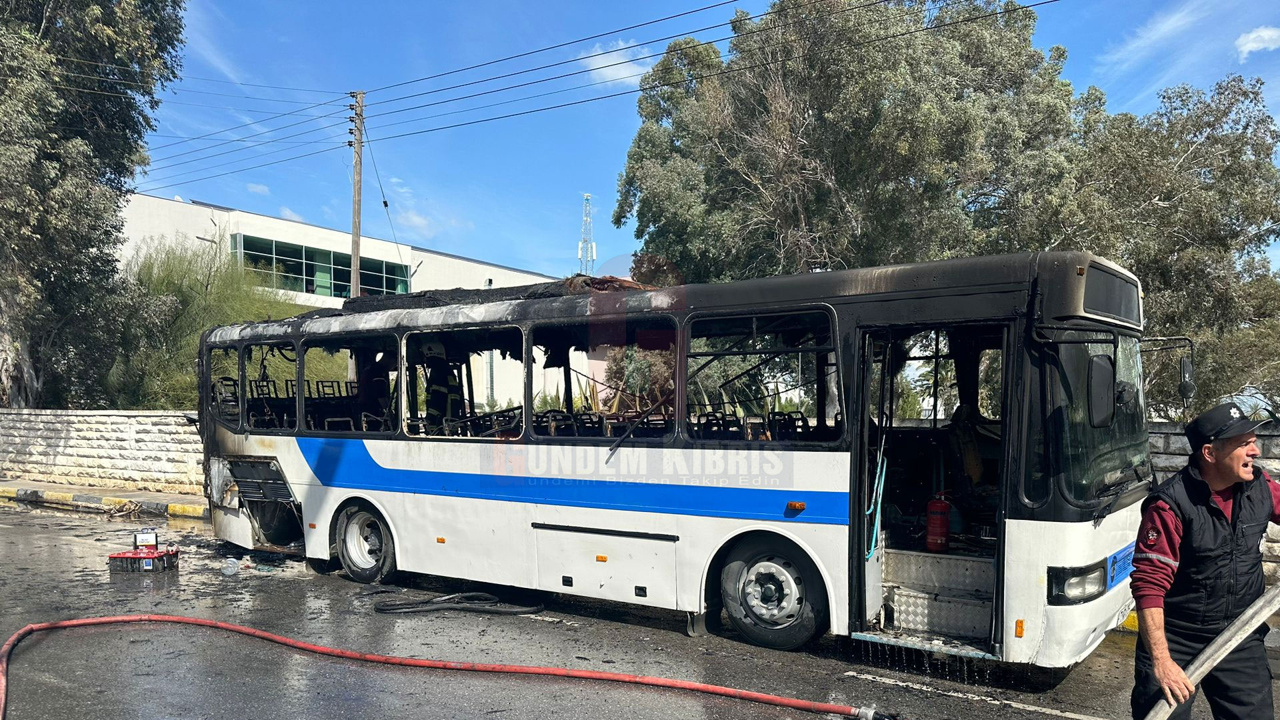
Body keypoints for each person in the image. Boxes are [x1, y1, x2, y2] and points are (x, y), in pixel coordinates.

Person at [1130, 402, 1280, 720]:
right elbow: (1149, 585)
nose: (1255, 451)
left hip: (1241, 632)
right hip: (1177, 637)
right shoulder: (1170, 505)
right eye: (1244, 444)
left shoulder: (1261, 487)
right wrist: (1162, 660)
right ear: (1210, 453)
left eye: (1254, 441)